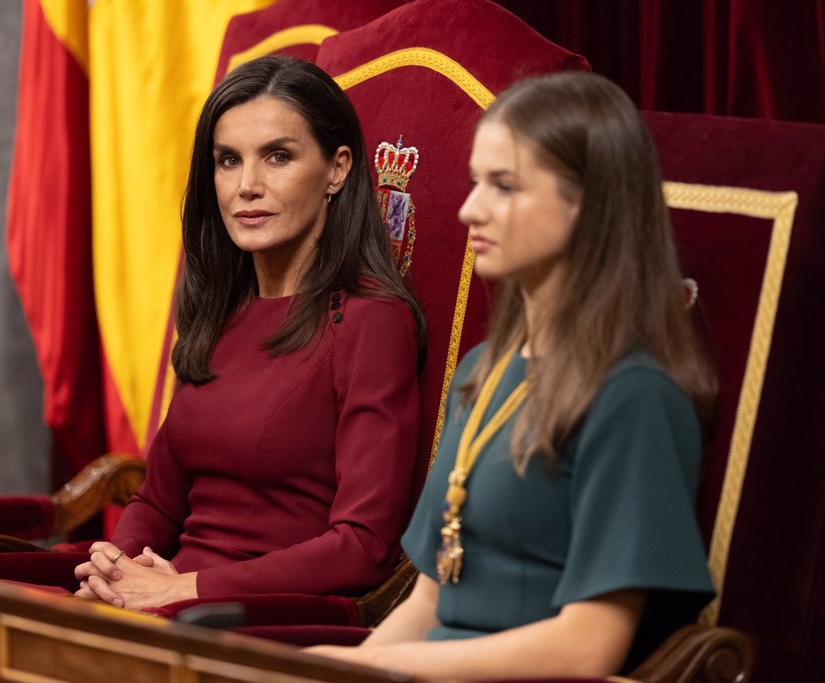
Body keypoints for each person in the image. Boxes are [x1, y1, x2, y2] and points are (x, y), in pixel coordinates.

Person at [310, 70, 716, 679]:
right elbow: (427, 601)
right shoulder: (482, 371)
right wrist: (352, 670)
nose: (471, 207)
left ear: (590, 204)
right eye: (477, 182)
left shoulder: (633, 395)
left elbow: (588, 649)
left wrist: (395, 669)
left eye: (504, 186)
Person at [72, 55, 426, 611]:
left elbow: (364, 546)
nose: (247, 186)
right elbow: (159, 503)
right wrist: (116, 568)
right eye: (228, 161)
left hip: (266, 624)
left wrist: (185, 589)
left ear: (337, 169)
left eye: (278, 157)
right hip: (168, 605)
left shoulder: (372, 319)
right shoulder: (220, 309)